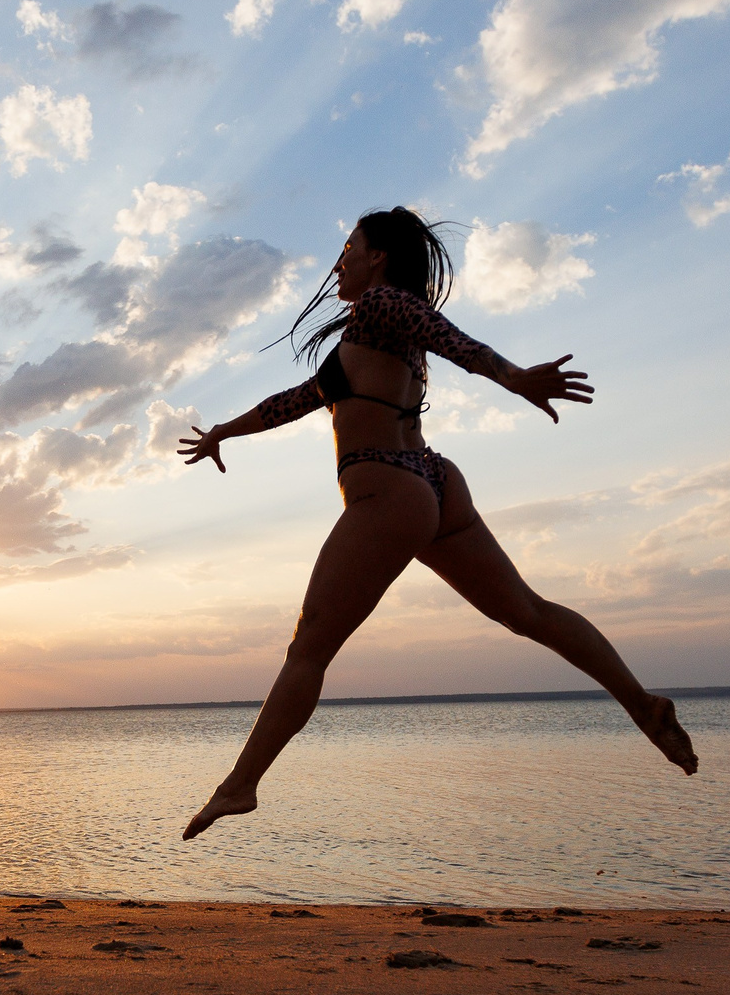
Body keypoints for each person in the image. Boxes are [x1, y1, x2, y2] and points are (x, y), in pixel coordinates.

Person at [175, 207, 698, 841]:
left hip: (389, 489)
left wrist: (514, 378)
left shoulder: (385, 305)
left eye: (348, 247)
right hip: (434, 481)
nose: (338, 260)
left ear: (379, 258)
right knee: (527, 611)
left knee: (309, 646)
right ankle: (642, 704)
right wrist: (227, 431)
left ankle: (241, 786)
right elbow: (297, 401)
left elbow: (452, 338)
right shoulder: (369, 333)